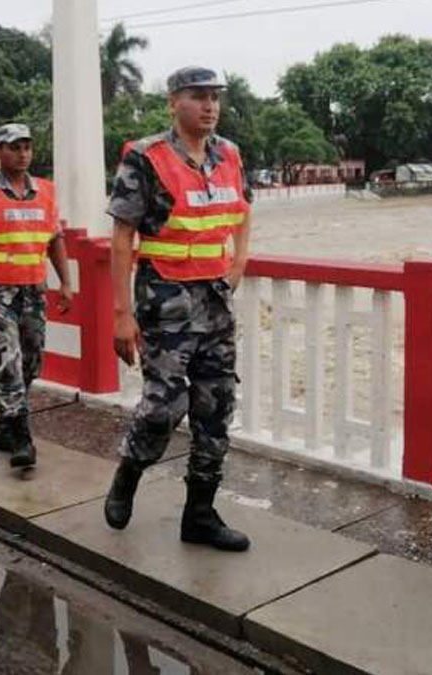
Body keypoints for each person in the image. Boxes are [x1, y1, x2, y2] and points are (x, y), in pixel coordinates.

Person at [102, 66, 253, 552]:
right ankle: (129, 472)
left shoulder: (229, 154)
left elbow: (243, 212)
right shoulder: (146, 158)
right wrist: (121, 314)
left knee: (216, 407)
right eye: (197, 96)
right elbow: (122, 236)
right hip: (166, 304)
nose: (209, 106)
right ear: (173, 102)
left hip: (215, 303)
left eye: (214, 97)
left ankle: (200, 515)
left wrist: (240, 263)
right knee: (162, 408)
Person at [0, 123, 74, 468]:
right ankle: (23, 436)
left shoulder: (46, 191)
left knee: (31, 361)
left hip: (33, 292)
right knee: (5, 362)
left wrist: (65, 283)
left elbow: (55, 239)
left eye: (27, 146)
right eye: (14, 147)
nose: (22, 153)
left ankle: (7, 425)